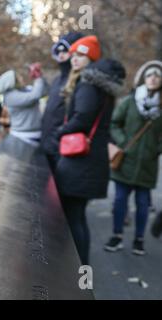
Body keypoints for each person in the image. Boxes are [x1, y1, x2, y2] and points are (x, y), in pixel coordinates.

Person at [54, 35, 126, 265]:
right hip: (91, 160)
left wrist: (61, 131)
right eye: (73, 55)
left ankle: (77, 269)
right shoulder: (101, 86)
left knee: (74, 217)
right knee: (78, 216)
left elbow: (82, 119)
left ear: (91, 58)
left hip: (79, 162)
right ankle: (81, 267)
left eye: (81, 55)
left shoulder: (87, 85)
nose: (75, 59)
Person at [104, 60, 162, 255]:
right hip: (125, 161)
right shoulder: (130, 101)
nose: (153, 78)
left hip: (148, 164)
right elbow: (114, 124)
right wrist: (123, 142)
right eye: (150, 75)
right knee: (120, 200)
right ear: (143, 78)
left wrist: (156, 149)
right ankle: (117, 236)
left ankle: (139, 239)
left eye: (157, 75)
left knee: (143, 204)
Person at [41, 32, 84, 173]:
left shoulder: (80, 81)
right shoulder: (56, 80)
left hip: (64, 147)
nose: (61, 55)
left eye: (65, 51)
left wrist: (59, 135)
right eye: (58, 51)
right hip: (47, 144)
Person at [0, 63, 48, 143]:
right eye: (18, 77)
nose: (21, 78)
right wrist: (37, 79)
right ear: (12, 82)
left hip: (35, 134)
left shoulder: (26, 90)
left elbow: (43, 92)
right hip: (22, 137)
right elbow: (35, 95)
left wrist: (40, 76)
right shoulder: (10, 97)